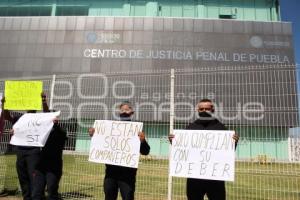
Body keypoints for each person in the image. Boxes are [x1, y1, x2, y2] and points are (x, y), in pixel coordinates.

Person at [169, 99, 239, 200]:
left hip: (215, 179)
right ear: (198, 110)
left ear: (213, 110)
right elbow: (184, 150)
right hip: (194, 178)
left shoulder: (221, 129)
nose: (204, 111)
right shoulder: (190, 128)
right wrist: (174, 142)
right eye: (201, 109)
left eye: (207, 108)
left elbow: (226, 153)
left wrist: (234, 143)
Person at [88, 102, 150, 200]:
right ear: (118, 112)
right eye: (122, 110)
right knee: (109, 196)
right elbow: (101, 143)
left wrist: (142, 141)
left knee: (127, 197)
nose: (124, 111)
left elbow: (145, 151)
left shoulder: (136, 130)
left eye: (127, 109)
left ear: (132, 112)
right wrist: (94, 135)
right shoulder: (110, 128)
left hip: (127, 175)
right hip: (110, 173)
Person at [3, 93, 50, 200]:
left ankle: (36, 197)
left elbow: (47, 114)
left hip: (33, 152)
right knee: (22, 176)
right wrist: (4, 104)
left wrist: (43, 100)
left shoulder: (39, 118)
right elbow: (7, 116)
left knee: (34, 177)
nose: (29, 106)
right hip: (20, 151)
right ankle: (26, 197)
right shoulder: (21, 117)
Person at [32, 115, 67, 200]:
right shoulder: (42, 132)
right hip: (41, 165)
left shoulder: (60, 132)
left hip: (54, 166)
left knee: (51, 190)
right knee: (36, 192)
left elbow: (62, 135)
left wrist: (56, 125)